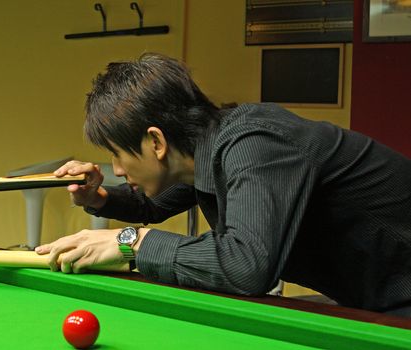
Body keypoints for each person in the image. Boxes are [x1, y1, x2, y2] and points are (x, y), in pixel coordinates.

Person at [35, 53, 411, 316]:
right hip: (373, 299)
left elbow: (247, 265)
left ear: (156, 143)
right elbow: (150, 206)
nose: (116, 167)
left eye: (118, 154)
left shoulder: (255, 144)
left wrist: (132, 244)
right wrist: (98, 197)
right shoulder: (206, 149)